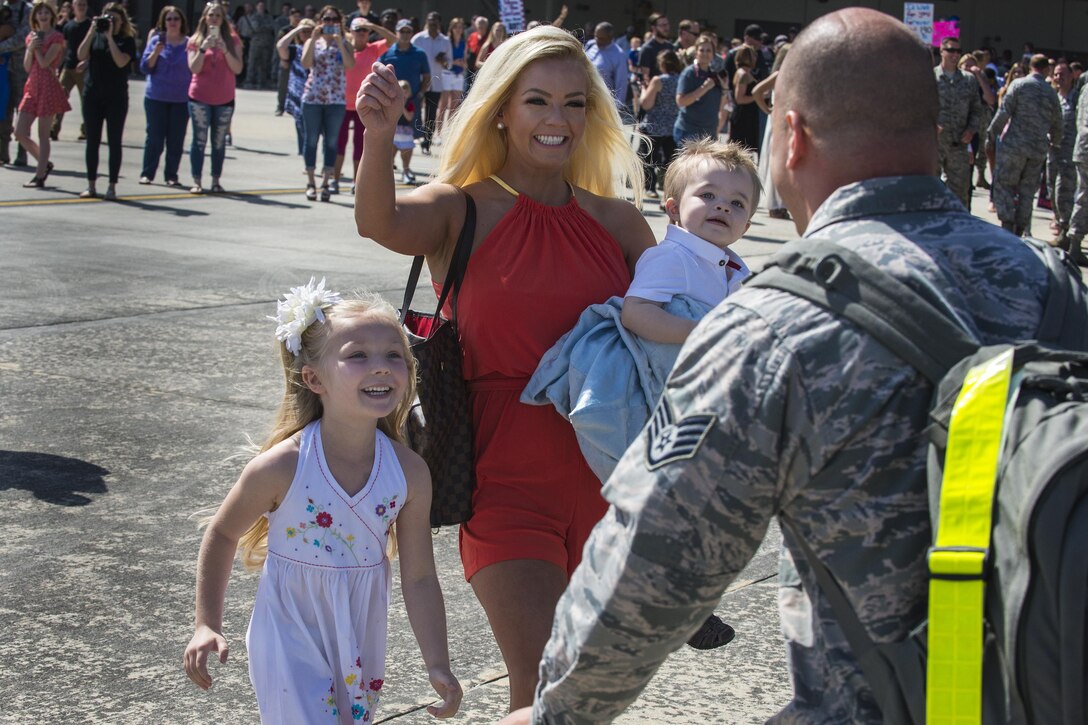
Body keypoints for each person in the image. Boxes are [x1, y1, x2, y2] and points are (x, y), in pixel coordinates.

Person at [499, 8, 1081, 724]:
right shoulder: (1057, 288)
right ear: (934, 136)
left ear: (792, 138)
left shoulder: (776, 320)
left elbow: (656, 558)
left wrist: (557, 708)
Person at [353, 24, 654, 711]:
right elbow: (380, 221)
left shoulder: (620, 223)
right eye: (537, 101)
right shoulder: (463, 208)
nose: (557, 120)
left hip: (610, 481)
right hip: (501, 478)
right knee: (545, 680)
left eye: (574, 103)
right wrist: (377, 136)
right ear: (501, 110)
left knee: (590, 695)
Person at [182, 282, 463, 724]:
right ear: (314, 378)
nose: (382, 368)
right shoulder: (283, 466)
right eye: (358, 356)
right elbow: (221, 532)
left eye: (394, 355)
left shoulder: (409, 473)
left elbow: (421, 577)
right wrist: (206, 623)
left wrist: (437, 662)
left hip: (360, 634)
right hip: (288, 632)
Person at [988, 53, 1063, 236]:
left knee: (1005, 183)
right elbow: (1057, 122)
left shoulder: (1019, 85)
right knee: (1027, 191)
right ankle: (1021, 228)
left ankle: (1007, 223)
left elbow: (1005, 111)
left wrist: (992, 133)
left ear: (1030, 67)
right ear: (1046, 70)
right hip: (1037, 150)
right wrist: (1055, 142)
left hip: (1015, 146)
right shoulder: (1051, 92)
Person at [76, 1, 134, 200]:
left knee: (114, 141)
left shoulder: (126, 39)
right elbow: (81, 54)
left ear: (121, 21)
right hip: (92, 94)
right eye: (106, 18)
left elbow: (120, 62)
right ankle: (91, 185)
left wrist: (110, 37)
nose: (109, 22)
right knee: (92, 141)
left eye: (114, 19)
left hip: (116, 97)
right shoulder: (96, 36)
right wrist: (92, 31)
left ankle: (112, 186)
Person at [186, 1, 242, 194]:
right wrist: (203, 48)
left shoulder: (233, 40)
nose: (215, 18)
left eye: (218, 15)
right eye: (211, 15)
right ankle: (197, 181)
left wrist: (225, 49)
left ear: (223, 19)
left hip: (224, 98)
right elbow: (194, 68)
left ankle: (216, 180)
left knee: (218, 142)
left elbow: (237, 68)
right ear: (205, 17)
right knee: (199, 140)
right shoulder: (195, 39)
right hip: (200, 96)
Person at [331, 16, 390, 194]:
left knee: (360, 144)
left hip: (364, 104)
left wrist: (373, 25)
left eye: (365, 31)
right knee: (339, 144)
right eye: (358, 30)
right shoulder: (343, 47)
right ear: (351, 32)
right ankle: (334, 179)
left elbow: (393, 40)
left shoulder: (373, 49)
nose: (362, 34)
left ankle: (356, 182)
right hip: (341, 104)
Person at [300, 3, 353, 201]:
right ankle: (311, 182)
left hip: (336, 100)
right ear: (320, 22)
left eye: (334, 20)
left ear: (339, 23)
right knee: (311, 140)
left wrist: (340, 42)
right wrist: (313, 39)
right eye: (327, 19)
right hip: (313, 98)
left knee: (331, 142)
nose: (330, 23)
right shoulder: (313, 41)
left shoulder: (345, 42)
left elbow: (350, 64)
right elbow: (305, 63)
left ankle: (325, 184)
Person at [15, 0, 68, 188]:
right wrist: (30, 49)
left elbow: (46, 63)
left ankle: (39, 176)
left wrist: (37, 48)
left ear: (52, 16)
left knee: (43, 134)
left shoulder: (56, 37)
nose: (43, 16)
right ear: (35, 17)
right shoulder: (31, 37)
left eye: (46, 12)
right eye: (40, 13)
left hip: (48, 86)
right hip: (32, 86)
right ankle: (44, 163)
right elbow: (28, 67)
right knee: (20, 131)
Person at [138, 5, 190, 187]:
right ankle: (147, 173)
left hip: (181, 99)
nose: (173, 22)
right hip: (156, 97)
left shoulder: (190, 43)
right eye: (169, 19)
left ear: (182, 22)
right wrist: (156, 52)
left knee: (176, 139)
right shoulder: (155, 42)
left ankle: (171, 175)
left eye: (176, 19)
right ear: (163, 23)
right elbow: (145, 67)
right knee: (154, 137)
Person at [934, 36, 982, 207]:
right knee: (930, 189)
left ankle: (958, 228)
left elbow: (977, 109)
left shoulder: (968, 80)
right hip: (936, 143)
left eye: (958, 51)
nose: (955, 54)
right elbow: (920, 107)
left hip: (959, 143)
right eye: (950, 50)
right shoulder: (931, 77)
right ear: (941, 51)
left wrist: (971, 129)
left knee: (960, 192)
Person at [636, 47, 681, 201]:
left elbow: (646, 103)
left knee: (649, 159)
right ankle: (670, 190)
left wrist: (643, 88)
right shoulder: (681, 80)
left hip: (654, 125)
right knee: (670, 161)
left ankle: (650, 188)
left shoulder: (658, 80)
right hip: (672, 126)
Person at [674, 34, 726, 145]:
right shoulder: (689, 73)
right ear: (696, 52)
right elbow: (680, 101)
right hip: (689, 131)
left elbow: (720, 106)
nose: (705, 54)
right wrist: (704, 88)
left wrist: (725, 89)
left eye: (708, 51)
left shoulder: (714, 75)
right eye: (702, 50)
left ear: (713, 54)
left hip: (709, 133)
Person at [411, 11, 449, 155]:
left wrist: (443, 61)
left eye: (435, 21)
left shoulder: (444, 41)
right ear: (426, 21)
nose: (432, 23)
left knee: (431, 114)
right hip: (419, 82)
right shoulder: (418, 39)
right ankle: (417, 136)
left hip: (436, 83)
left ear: (439, 23)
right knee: (416, 110)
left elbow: (449, 63)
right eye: (430, 20)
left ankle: (427, 141)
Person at [49, 0, 87, 141]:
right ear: (73, 7)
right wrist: (58, 67)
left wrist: (87, 62)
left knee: (86, 101)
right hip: (68, 67)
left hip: (84, 69)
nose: (81, 7)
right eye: (79, 4)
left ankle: (86, 130)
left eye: (84, 5)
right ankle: (54, 129)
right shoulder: (68, 26)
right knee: (59, 97)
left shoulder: (90, 25)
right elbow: (63, 48)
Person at [0, 0, 31, 167]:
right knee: (3, 111)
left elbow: (23, 38)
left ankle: (22, 151)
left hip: (21, 69)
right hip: (2, 69)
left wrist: (1, 46)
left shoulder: (26, 10)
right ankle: (3, 152)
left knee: (23, 111)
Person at [276, 16, 311, 158]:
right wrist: (297, 29)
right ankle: (304, 153)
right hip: (297, 91)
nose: (305, 34)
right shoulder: (295, 49)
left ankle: (309, 152)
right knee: (299, 121)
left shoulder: (319, 47)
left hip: (314, 92)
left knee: (312, 126)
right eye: (304, 31)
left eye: (309, 31)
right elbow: (280, 46)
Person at [433, 16, 464, 143]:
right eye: (456, 27)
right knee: (443, 105)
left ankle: (448, 134)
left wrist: (462, 63)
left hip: (458, 75)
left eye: (460, 27)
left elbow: (464, 58)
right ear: (452, 28)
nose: (458, 29)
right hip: (447, 73)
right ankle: (438, 133)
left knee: (454, 106)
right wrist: (453, 62)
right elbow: (440, 58)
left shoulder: (463, 42)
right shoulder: (446, 41)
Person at [585, 22, 626, 114]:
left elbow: (621, 84)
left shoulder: (618, 54)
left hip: (602, 104)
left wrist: (616, 109)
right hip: (584, 97)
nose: (598, 40)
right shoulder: (590, 45)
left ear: (611, 38)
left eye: (602, 38)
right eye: (596, 36)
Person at [729, 43, 760, 152]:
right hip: (743, 117)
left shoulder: (743, 72)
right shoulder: (743, 74)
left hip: (747, 115)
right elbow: (739, 98)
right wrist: (757, 97)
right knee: (741, 149)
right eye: (753, 55)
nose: (756, 58)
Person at [238, 0, 275, 88]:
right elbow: (256, 27)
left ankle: (262, 81)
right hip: (256, 43)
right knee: (252, 62)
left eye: (263, 6)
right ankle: (249, 80)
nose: (261, 8)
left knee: (264, 63)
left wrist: (263, 27)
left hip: (266, 44)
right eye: (260, 6)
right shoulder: (254, 17)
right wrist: (265, 27)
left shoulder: (268, 17)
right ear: (257, 7)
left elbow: (272, 27)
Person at [391, 77, 414, 183]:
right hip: (394, 132)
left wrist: (402, 107)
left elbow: (409, 117)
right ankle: (388, 176)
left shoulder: (410, 104)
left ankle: (405, 173)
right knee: (390, 155)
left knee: (406, 156)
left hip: (405, 133)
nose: (403, 94)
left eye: (406, 92)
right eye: (401, 91)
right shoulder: (392, 103)